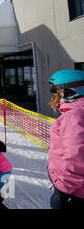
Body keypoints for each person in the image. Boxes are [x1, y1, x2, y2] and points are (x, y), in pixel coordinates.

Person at [47, 69, 84, 209]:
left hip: (74, 193)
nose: (53, 97)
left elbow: (77, 160)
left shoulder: (74, 117)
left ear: (69, 93)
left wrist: (63, 190)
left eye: (56, 92)